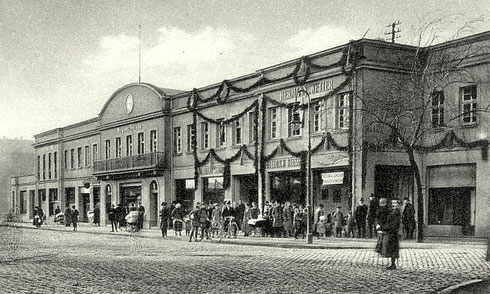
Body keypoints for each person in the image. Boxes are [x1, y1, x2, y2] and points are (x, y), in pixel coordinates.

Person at [376, 199, 402, 270]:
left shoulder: (396, 213)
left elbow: (393, 225)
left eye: (395, 203)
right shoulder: (392, 212)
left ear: (398, 205)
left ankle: (393, 264)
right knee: (390, 248)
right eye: (392, 203)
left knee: (392, 248)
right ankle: (392, 263)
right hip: (390, 232)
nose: (393, 204)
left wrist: (382, 228)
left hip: (392, 233)